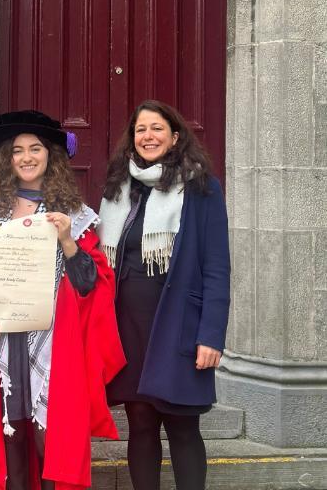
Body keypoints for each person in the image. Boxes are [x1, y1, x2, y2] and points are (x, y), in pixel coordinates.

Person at [0, 110, 125, 490]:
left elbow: (89, 284)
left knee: (52, 441)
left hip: (55, 347)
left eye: (35, 148)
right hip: (2, 343)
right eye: (18, 150)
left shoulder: (72, 215)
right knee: (11, 437)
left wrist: (67, 240)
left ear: (50, 155)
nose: (27, 157)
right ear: (7, 159)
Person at [100, 100, 230, 490]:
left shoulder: (201, 187)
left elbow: (217, 266)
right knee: (140, 424)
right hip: (130, 327)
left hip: (179, 326)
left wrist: (211, 334)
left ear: (175, 137)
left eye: (157, 128)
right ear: (132, 138)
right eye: (141, 129)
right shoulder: (119, 188)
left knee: (182, 424)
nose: (148, 136)